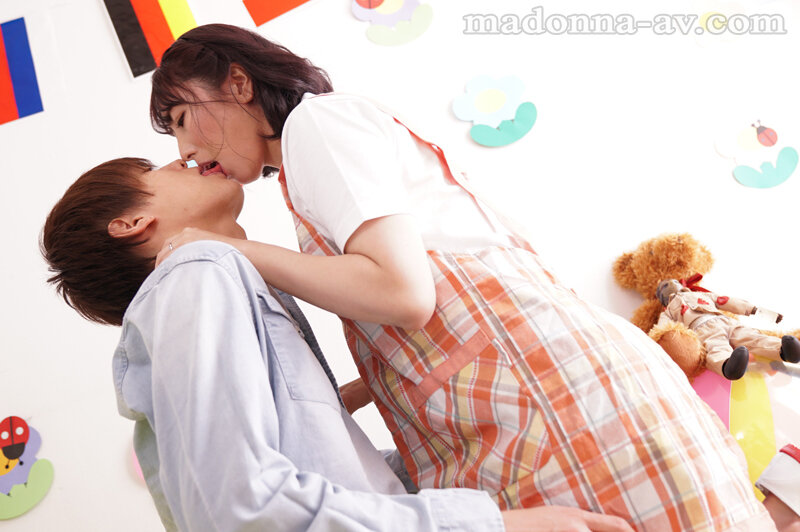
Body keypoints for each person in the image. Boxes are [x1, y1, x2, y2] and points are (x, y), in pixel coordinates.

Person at [146, 23, 777, 530]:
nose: (184, 151)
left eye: (180, 118)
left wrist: (229, 249)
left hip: (549, 397)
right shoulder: (316, 156)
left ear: (237, 83)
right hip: (536, 394)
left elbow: (403, 295)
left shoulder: (316, 124)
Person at [41, 158, 634, 532]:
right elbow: (243, 506)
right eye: (156, 170)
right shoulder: (195, 271)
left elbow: (335, 478)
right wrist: (492, 524)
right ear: (131, 223)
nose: (183, 158)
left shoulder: (213, 287)